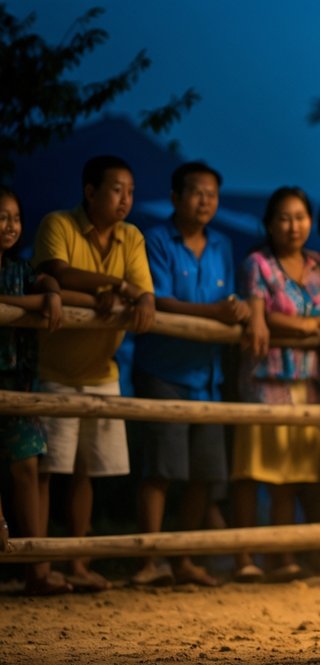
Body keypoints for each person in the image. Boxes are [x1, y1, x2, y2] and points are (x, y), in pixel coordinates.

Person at [32, 155, 156, 592]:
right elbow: (56, 273)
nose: (126, 199)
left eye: (131, 191)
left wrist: (134, 297)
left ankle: (79, 563)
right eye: (117, 189)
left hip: (104, 368)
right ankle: (40, 568)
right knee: (48, 470)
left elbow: (144, 292)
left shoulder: (131, 237)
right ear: (90, 191)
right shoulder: (59, 224)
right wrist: (114, 287)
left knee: (87, 471)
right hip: (56, 367)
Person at [130, 162, 252, 588]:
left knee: (205, 471)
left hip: (208, 375)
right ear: (176, 197)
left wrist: (237, 309)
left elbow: (226, 301)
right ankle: (150, 559)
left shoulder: (221, 244)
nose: (205, 201)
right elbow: (158, 301)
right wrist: (218, 311)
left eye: (212, 195)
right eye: (197, 193)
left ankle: (182, 560)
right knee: (161, 469)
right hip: (162, 369)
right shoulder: (158, 240)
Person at [231, 187, 320, 583]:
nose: (293, 225)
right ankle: (244, 555)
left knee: (292, 475)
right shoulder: (257, 264)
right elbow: (260, 316)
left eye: (300, 217)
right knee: (253, 472)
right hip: (266, 380)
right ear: (268, 224)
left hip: (308, 382)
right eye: (284, 217)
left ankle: (282, 556)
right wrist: (313, 325)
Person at [0, 187, 73, 594]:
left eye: (14, 217)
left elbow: (45, 278)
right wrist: (34, 302)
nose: (9, 225)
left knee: (27, 467)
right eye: (1, 217)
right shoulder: (18, 282)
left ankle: (36, 569)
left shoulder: (21, 271)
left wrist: (52, 291)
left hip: (18, 384)